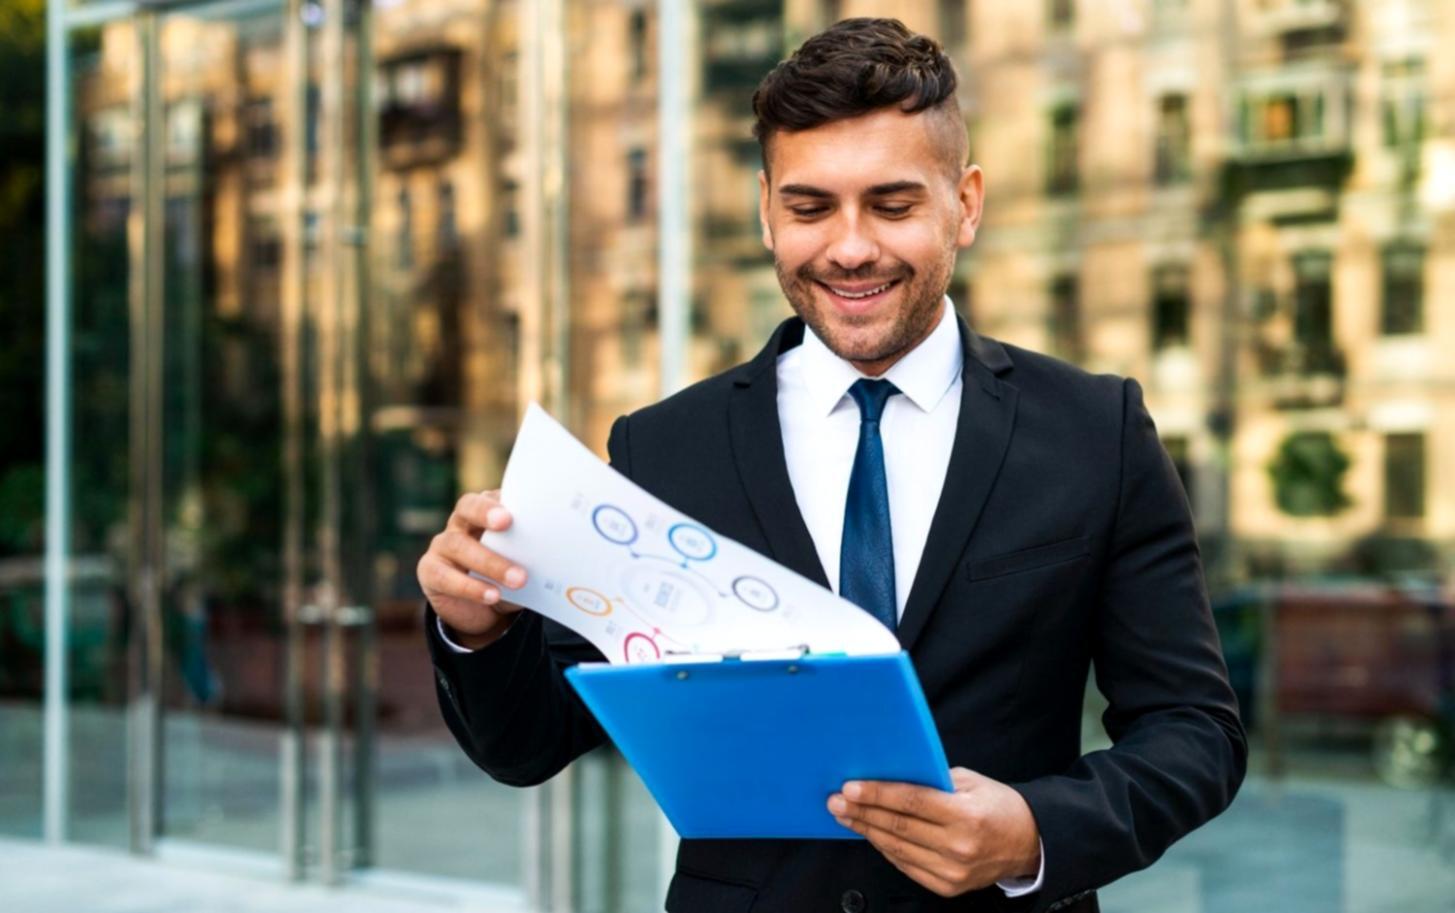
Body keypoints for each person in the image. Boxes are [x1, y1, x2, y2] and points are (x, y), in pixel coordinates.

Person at [416, 18, 1245, 913]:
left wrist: (1036, 831)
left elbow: (1192, 729)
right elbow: (529, 744)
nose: (849, 247)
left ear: (964, 204)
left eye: (892, 204)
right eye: (811, 207)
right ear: (766, 210)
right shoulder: (662, 448)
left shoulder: (1097, 430)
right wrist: (478, 631)